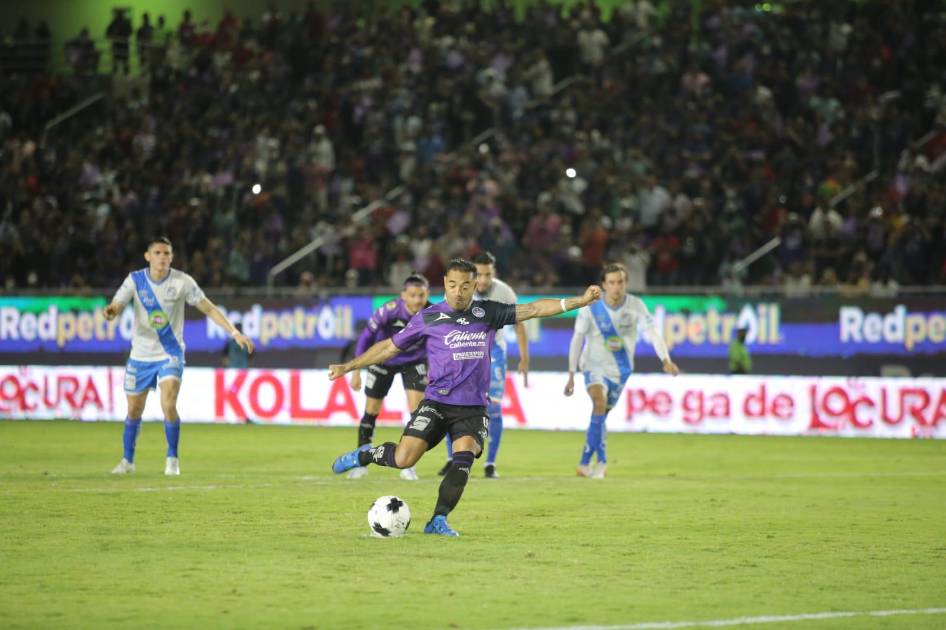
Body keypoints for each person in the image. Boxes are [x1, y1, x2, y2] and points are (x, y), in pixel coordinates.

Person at [329, 258, 602, 536]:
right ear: (444, 284)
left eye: (465, 286)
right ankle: (365, 454)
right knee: (404, 459)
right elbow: (389, 347)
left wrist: (579, 301)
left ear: (474, 285)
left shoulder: (489, 312)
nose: (458, 291)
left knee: (464, 457)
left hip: (472, 407)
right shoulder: (429, 317)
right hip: (437, 402)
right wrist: (349, 366)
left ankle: (438, 520)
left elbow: (533, 309)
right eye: (452, 285)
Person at [104, 237, 254, 475]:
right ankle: (127, 461)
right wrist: (112, 311)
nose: (162, 257)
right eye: (157, 253)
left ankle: (172, 459)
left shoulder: (182, 281)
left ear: (171, 257)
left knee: (168, 404)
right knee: (134, 410)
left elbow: (208, 308)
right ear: (148, 256)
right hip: (141, 354)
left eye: (166, 253)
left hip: (170, 353)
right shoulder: (135, 280)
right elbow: (117, 304)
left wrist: (234, 332)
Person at [564, 262, 678, 479]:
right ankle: (600, 462)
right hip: (593, 365)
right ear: (604, 285)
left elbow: (653, 333)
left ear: (626, 283)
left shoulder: (636, 306)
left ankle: (586, 462)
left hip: (621, 370)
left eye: (621, 282)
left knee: (600, 416)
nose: (617, 287)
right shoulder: (590, 306)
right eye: (612, 283)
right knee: (599, 403)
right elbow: (577, 339)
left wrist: (666, 359)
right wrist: (571, 374)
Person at [439, 251, 528, 478]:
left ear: (494, 272)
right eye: (480, 274)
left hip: (494, 352)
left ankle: (490, 463)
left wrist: (524, 357)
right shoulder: (459, 290)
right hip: (463, 351)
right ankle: (451, 458)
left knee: (494, 409)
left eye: (488, 274)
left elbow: (519, 323)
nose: (484, 280)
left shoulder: (504, 292)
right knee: (452, 405)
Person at [346, 273, 432, 481]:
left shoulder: (432, 313)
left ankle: (408, 465)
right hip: (384, 360)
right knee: (371, 411)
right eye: (412, 295)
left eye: (421, 295)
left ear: (427, 294)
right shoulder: (389, 310)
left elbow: (438, 343)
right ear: (403, 295)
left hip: (415, 362)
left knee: (416, 413)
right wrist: (356, 370)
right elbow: (366, 337)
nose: (417, 300)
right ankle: (361, 463)